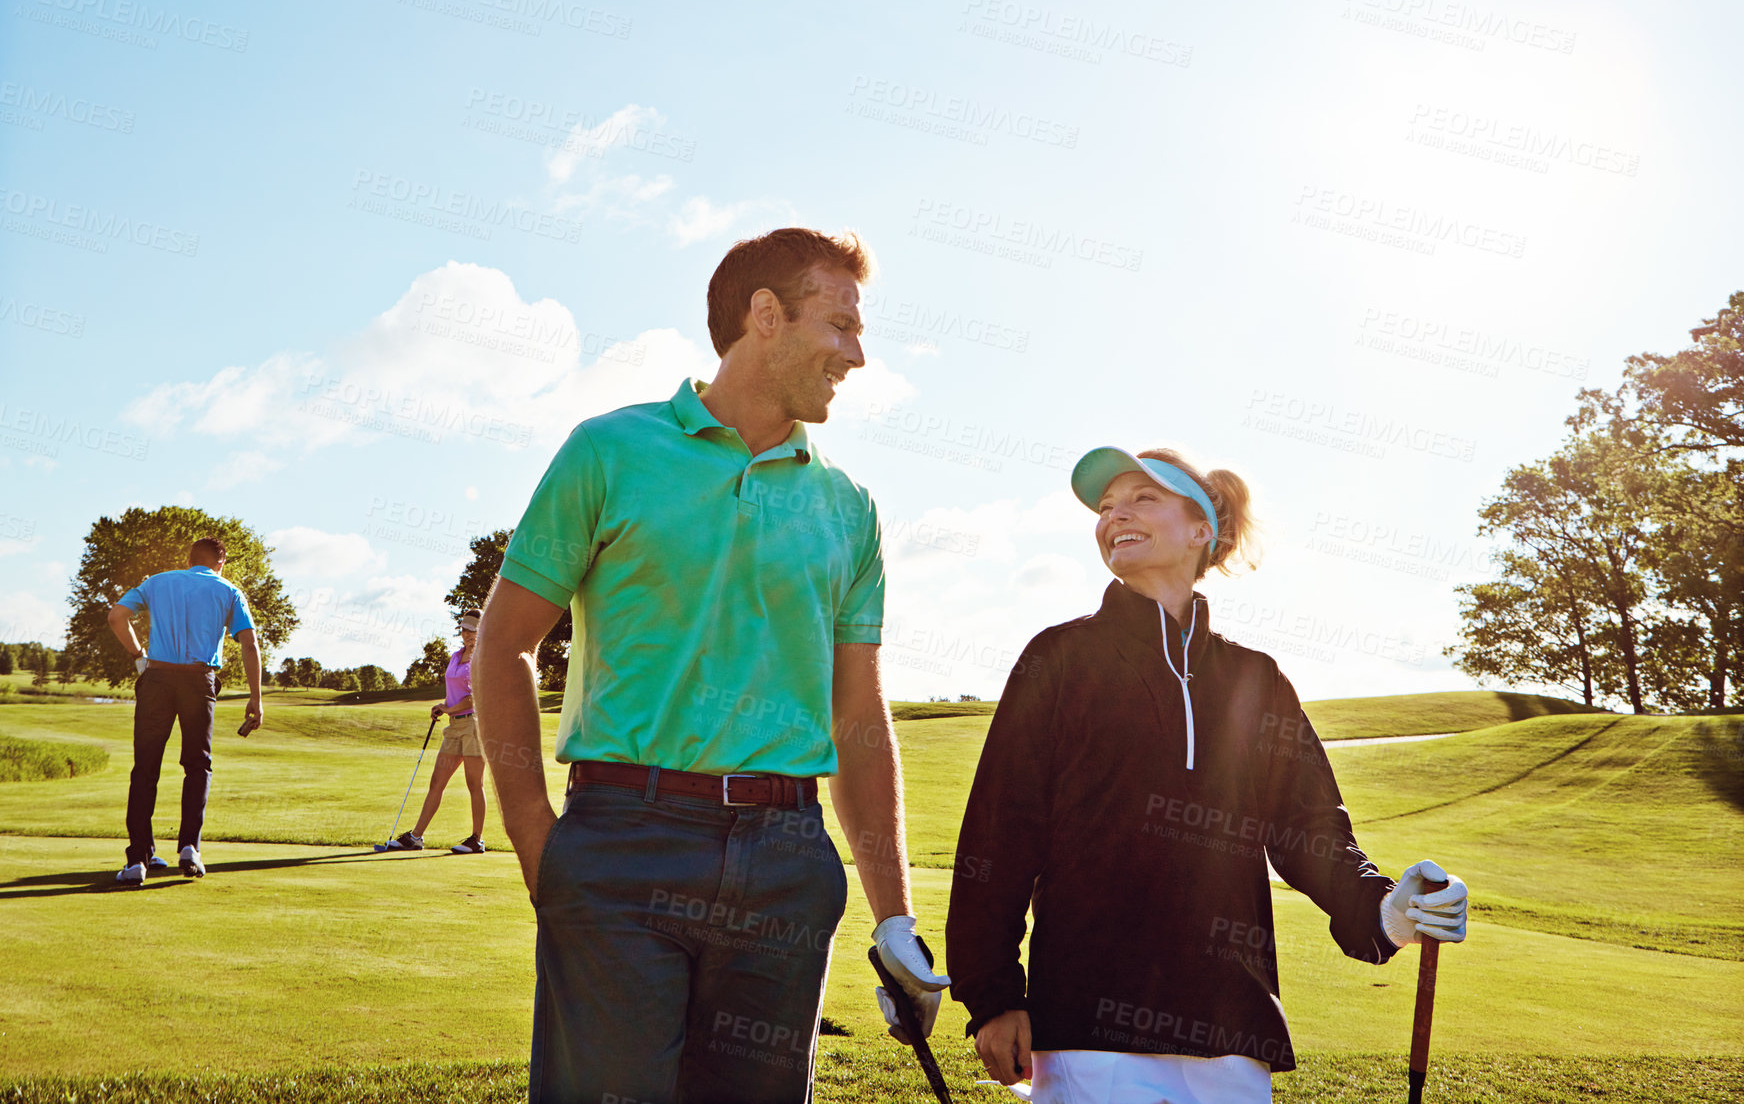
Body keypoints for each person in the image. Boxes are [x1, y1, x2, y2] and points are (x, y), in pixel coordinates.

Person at [474, 227, 947, 1103]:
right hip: (622, 839)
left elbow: (858, 714)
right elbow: (503, 644)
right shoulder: (609, 451)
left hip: (787, 857)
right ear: (766, 316)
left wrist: (894, 916)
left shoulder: (849, 508)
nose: (858, 354)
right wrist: (538, 840)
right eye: (840, 326)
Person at [947, 447, 1469, 1103]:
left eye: (1143, 498)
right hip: (1089, 1033)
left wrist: (1391, 911)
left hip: (1231, 1038)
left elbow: (1310, 830)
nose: (1115, 516)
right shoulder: (1058, 658)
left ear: (1201, 530)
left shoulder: (1257, 680)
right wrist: (992, 994)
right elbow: (1000, 833)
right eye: (1107, 507)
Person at [106, 537, 262, 886]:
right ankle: (189, 848)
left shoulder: (157, 581)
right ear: (221, 561)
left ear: (189, 559)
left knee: (145, 768)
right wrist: (255, 697)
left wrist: (138, 657)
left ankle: (137, 861)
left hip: (156, 678)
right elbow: (249, 642)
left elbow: (117, 617)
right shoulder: (229, 591)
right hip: (198, 681)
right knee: (197, 764)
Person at [378, 611, 489, 854]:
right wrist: (444, 707)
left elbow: (474, 697)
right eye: (465, 629)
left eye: (472, 629)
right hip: (454, 727)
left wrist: (447, 707)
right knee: (436, 782)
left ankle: (477, 839)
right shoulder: (455, 657)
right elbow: (456, 693)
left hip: (473, 726)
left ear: (482, 629)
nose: (467, 634)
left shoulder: (483, 659)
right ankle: (416, 836)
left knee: (474, 784)